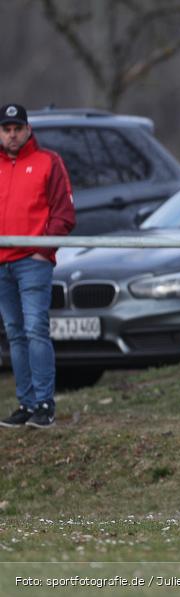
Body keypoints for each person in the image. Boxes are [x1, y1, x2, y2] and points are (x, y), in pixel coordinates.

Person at [0, 103, 75, 429]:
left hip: (33, 263)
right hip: (1, 265)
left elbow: (64, 213)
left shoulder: (48, 161)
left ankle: (44, 403)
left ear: (27, 129)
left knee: (34, 330)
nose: (12, 134)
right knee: (15, 334)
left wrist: (43, 250)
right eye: (6, 129)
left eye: (17, 128)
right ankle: (26, 403)